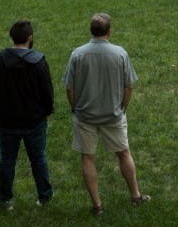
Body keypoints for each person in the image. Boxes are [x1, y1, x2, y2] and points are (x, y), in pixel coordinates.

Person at [63, 13, 150, 216]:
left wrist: (75, 107)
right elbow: (129, 86)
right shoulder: (120, 54)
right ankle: (135, 196)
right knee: (124, 153)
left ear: (91, 31)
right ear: (109, 32)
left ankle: (97, 206)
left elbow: (69, 87)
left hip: (85, 116)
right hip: (113, 115)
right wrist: (122, 108)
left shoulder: (77, 54)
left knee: (88, 157)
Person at [0, 19, 54, 210]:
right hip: (34, 121)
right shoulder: (38, 62)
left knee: (7, 159)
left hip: (7, 121)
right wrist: (46, 111)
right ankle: (45, 195)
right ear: (30, 38)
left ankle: (5, 199)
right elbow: (47, 93)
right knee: (38, 158)